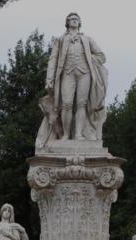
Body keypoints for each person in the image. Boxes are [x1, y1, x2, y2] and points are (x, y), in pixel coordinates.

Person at [36, 12, 108, 147]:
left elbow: (101, 56)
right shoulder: (61, 40)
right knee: (67, 104)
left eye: (76, 19)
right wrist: (49, 78)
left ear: (79, 23)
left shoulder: (87, 39)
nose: (74, 21)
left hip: (84, 73)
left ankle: (79, 134)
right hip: (67, 74)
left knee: (82, 104)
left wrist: (90, 59)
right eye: (71, 19)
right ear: (67, 23)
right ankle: (66, 135)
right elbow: (53, 60)